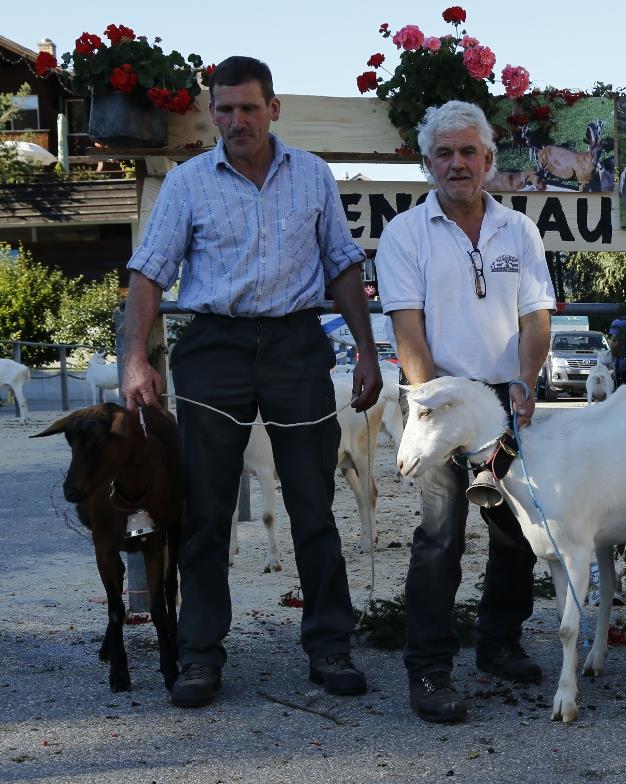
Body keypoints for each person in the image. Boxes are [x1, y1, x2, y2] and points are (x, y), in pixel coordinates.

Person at [121, 57, 381, 708]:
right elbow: (149, 274)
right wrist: (134, 358)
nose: (236, 120)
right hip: (215, 346)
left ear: (273, 110)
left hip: (296, 344)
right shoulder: (187, 184)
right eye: (225, 109)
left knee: (313, 507)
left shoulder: (313, 176)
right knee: (207, 511)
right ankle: (202, 655)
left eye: (248, 107)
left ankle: (329, 646)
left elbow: (344, 266)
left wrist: (369, 351)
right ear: (214, 112)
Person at [374, 101, 555, 724]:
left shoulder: (520, 232)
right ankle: (428, 669)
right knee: (440, 538)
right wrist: (441, 410)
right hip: (438, 404)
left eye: (467, 152)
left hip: (506, 406)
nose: (456, 163)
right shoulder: (404, 234)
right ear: (427, 163)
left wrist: (526, 383)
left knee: (516, 535)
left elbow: (537, 317)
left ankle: (498, 643)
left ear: (488, 159)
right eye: (443, 154)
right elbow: (408, 334)